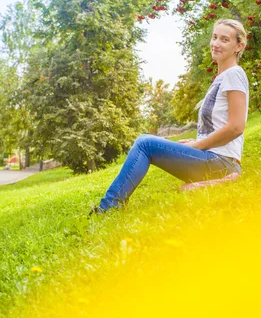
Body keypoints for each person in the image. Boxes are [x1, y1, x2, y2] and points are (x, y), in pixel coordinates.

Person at [92, 19, 249, 213]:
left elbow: (236, 126)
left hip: (222, 161)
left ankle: (108, 207)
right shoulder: (221, 78)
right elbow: (219, 125)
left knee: (145, 143)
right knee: (148, 143)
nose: (216, 43)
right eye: (215, 37)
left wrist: (198, 145)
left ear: (238, 46)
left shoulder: (234, 74)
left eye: (225, 39)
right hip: (215, 159)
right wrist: (195, 141)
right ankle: (211, 183)